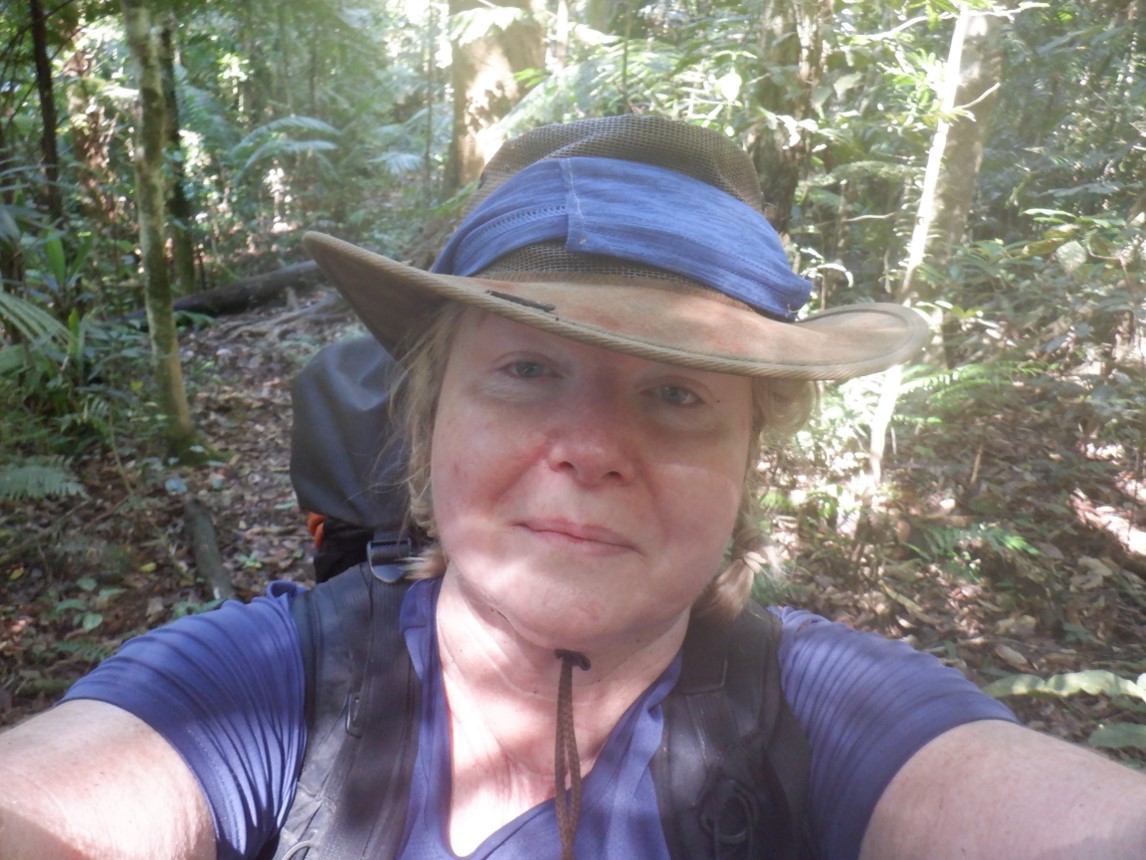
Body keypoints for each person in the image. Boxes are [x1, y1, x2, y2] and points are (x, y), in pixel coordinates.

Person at [1, 115, 1144, 860]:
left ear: (748, 454)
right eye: (528, 369)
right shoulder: (258, 687)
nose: (591, 447)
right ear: (430, 416)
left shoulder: (830, 714)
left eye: (677, 392)